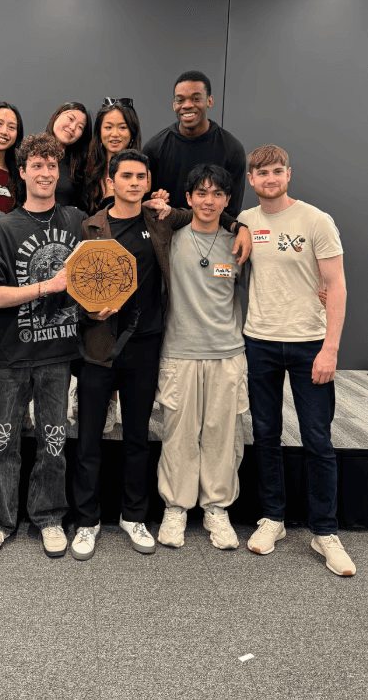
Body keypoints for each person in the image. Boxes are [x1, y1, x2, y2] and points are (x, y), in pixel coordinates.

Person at [70, 151, 251, 561]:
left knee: (138, 437)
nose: (134, 183)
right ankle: (87, 521)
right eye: (126, 176)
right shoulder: (90, 226)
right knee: (89, 439)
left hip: (148, 345)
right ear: (111, 181)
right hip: (99, 344)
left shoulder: (162, 220)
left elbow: (208, 213)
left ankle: (134, 517)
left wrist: (239, 224)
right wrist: (88, 310)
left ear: (149, 182)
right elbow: (76, 279)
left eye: (141, 176)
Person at [0, 132, 107, 559]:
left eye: (52, 165)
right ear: (23, 172)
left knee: (53, 443)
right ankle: (0, 520)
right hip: (10, 355)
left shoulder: (77, 220)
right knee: (3, 444)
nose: (46, 172)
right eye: (37, 165)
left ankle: (49, 517)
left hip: (58, 355)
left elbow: (95, 273)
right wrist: (47, 286)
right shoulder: (1, 228)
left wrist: (98, 307)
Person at [240, 145, 355, 576]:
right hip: (260, 342)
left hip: (309, 344)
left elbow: (337, 285)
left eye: (277, 171)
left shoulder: (316, 220)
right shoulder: (246, 221)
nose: (270, 179)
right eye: (261, 173)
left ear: (288, 174)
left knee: (317, 440)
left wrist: (331, 349)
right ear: (251, 180)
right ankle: (273, 518)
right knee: (266, 434)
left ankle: (325, 531)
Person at [156, 164, 248, 551]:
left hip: (227, 353)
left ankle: (216, 508)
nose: (208, 201)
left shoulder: (240, 244)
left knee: (222, 434)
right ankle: (176, 507)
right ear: (188, 198)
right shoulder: (169, 239)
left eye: (217, 194)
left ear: (227, 201)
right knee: (178, 435)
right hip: (179, 352)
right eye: (201, 193)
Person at [143, 71, 246, 213]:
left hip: (212, 227)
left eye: (196, 99)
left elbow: (232, 210)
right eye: (180, 100)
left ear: (209, 101)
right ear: (174, 104)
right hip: (164, 226)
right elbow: (142, 204)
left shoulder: (232, 149)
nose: (187, 105)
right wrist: (155, 201)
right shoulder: (154, 148)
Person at [45, 102, 92, 207]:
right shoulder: (30, 152)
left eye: (80, 127)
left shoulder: (80, 167)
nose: (72, 127)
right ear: (57, 115)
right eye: (70, 119)